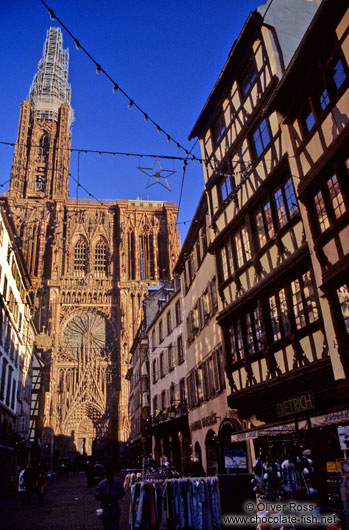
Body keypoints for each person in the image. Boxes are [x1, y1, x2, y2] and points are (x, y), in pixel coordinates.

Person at [96, 463, 125, 530]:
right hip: (105, 508)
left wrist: (115, 495)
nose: (109, 476)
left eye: (110, 474)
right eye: (107, 474)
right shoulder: (101, 484)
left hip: (114, 508)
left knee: (115, 526)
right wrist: (104, 495)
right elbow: (97, 495)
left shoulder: (117, 484)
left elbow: (122, 493)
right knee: (107, 526)